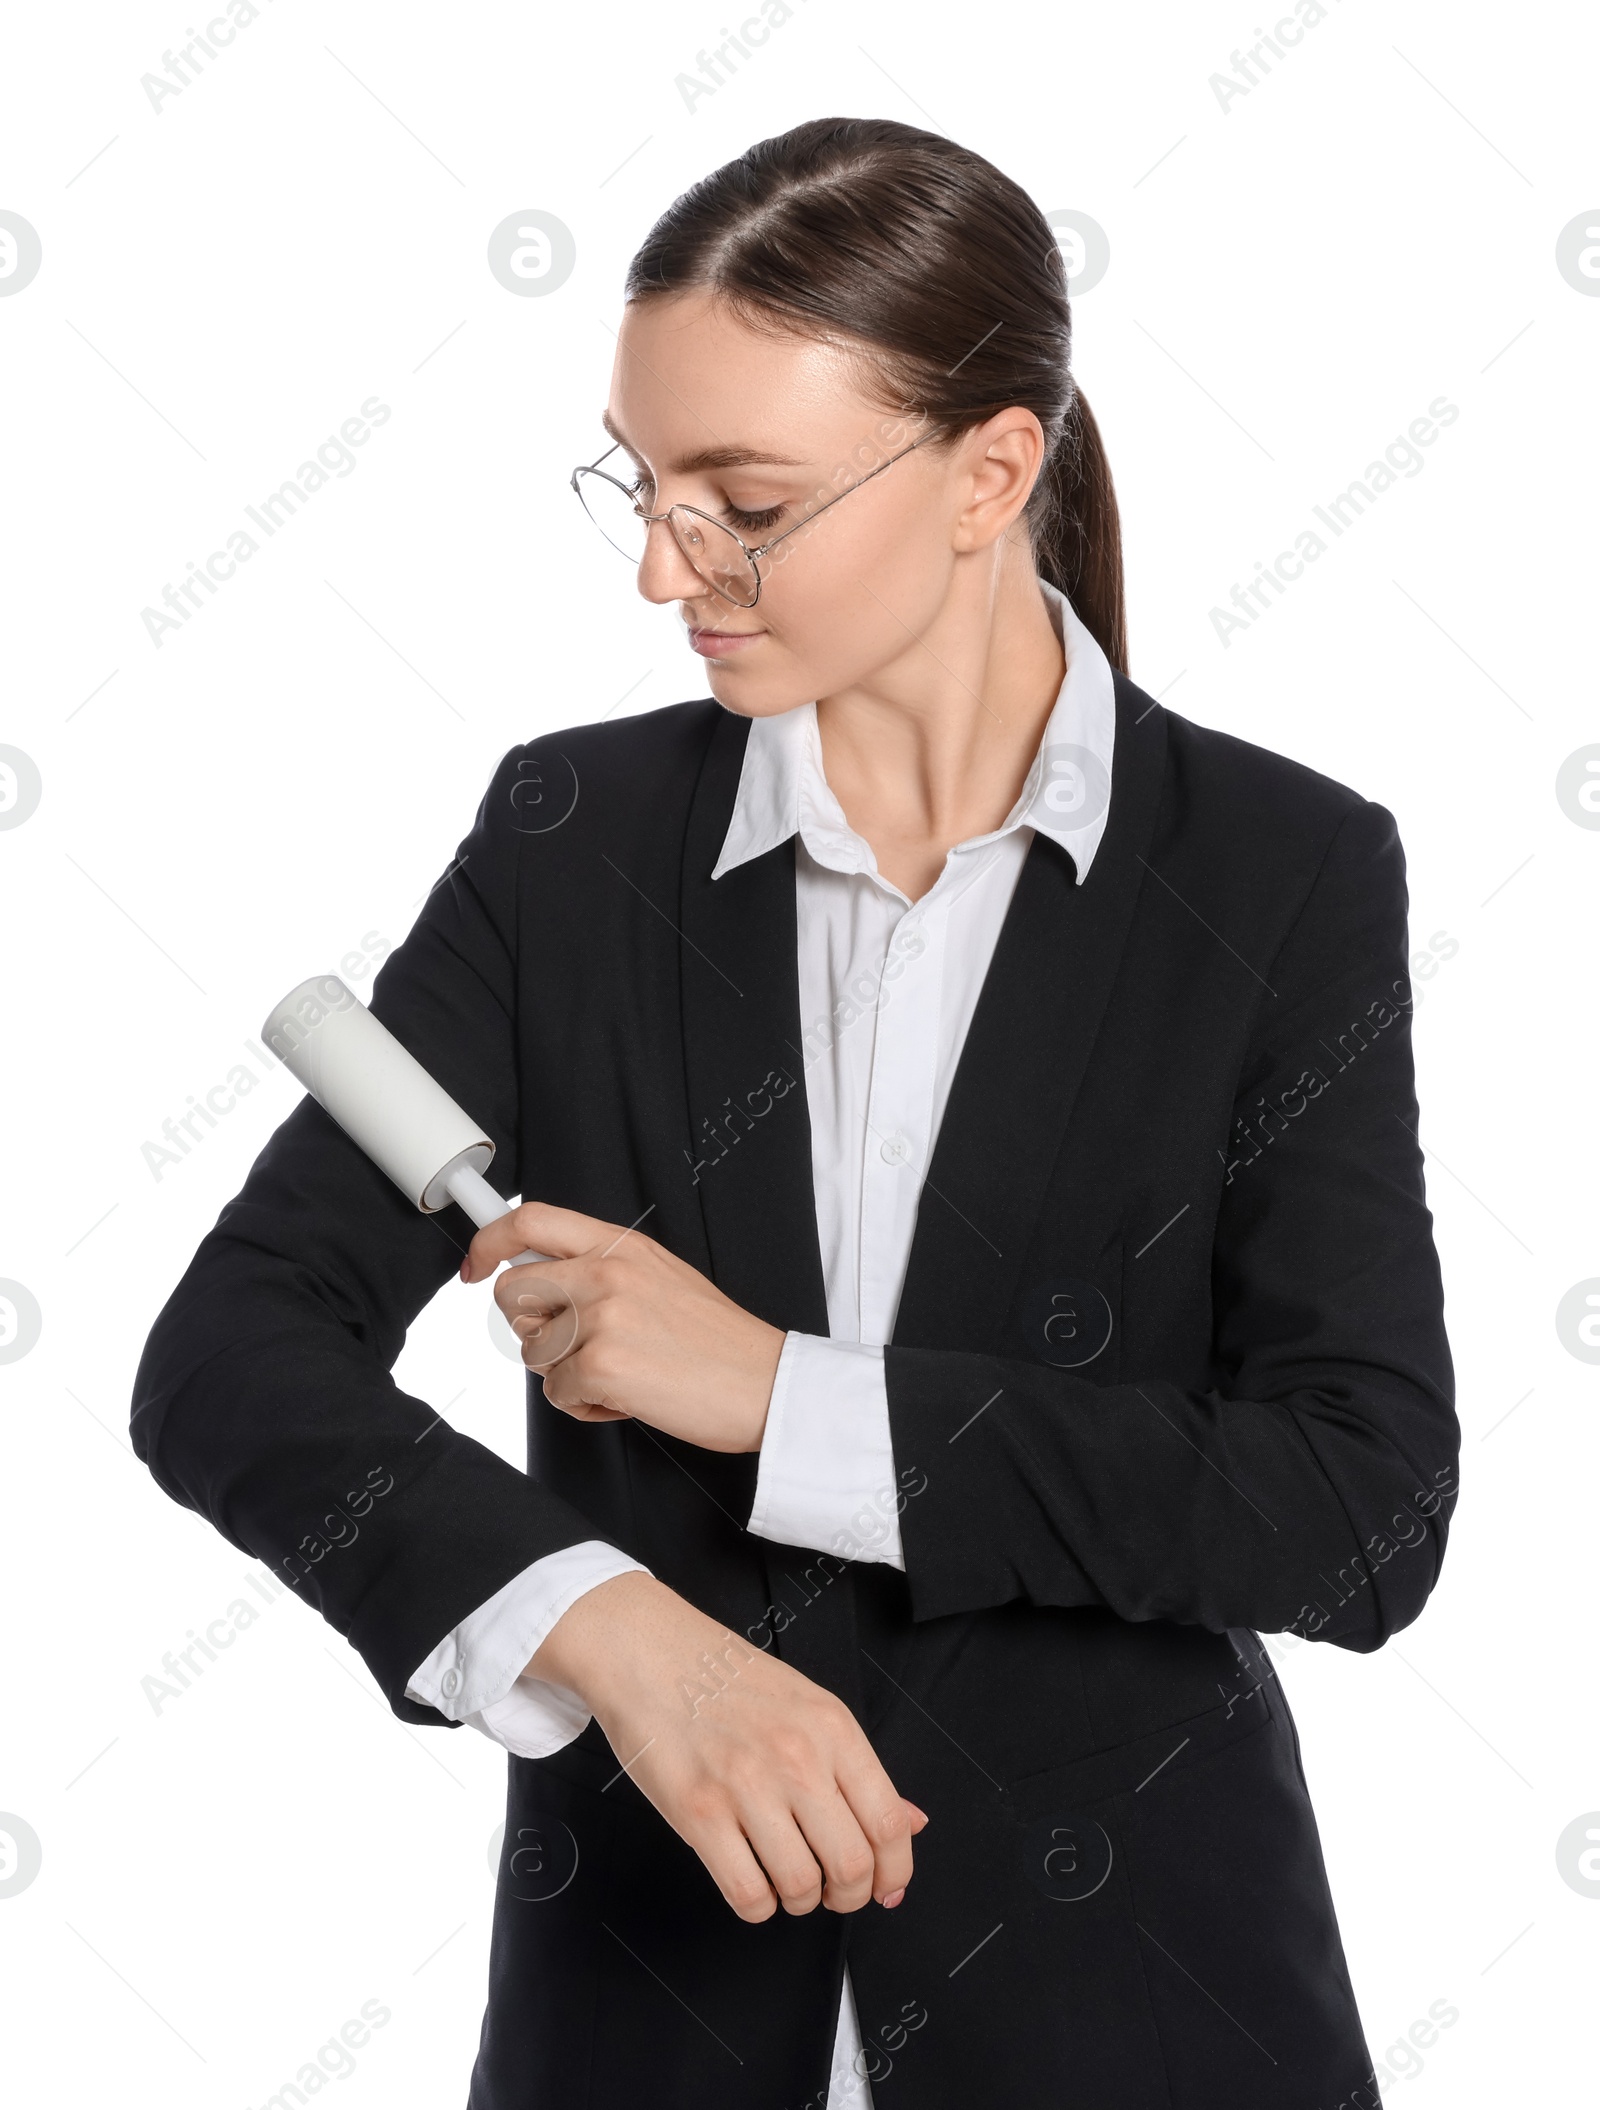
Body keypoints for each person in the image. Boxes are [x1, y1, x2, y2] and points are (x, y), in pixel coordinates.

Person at [131, 116, 1458, 2110]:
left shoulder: (1273, 870)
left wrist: (780, 1394)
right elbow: (229, 1358)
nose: (667, 566)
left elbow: (1356, 1507)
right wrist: (606, 1628)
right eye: (639, 486)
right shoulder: (567, 840)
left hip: (1144, 2029)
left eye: (737, 500)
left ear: (984, 473)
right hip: (640, 2032)